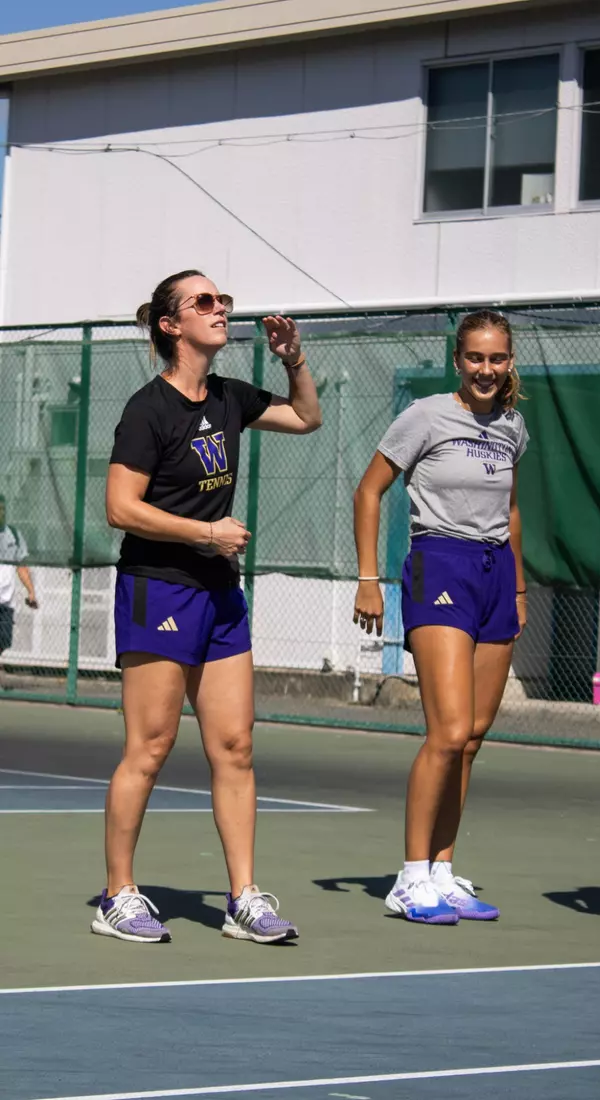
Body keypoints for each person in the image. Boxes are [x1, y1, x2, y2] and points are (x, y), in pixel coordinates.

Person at [91, 269, 322, 945]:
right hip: (159, 587)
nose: (220, 308)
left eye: (223, 299)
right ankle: (118, 895)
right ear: (171, 325)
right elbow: (119, 508)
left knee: (235, 746)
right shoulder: (147, 410)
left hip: (219, 595)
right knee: (151, 746)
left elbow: (306, 417)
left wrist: (294, 359)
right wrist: (207, 533)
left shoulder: (227, 397)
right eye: (204, 302)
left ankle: (244, 898)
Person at [353, 310, 528, 924]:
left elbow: (510, 511)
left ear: (510, 363)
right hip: (439, 566)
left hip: (495, 576)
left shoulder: (512, 426)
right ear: (458, 360)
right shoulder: (425, 415)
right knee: (448, 732)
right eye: (476, 357)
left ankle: (442, 871)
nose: (486, 369)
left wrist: (520, 590)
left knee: (473, 738)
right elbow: (368, 490)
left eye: (497, 358)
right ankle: (408, 878)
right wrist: (369, 578)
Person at [0, 495, 38, 656]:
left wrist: (31, 592)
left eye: (3, 509)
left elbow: (21, 567)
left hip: (6, 602)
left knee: (3, 642)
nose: (1, 513)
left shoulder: (14, 534)